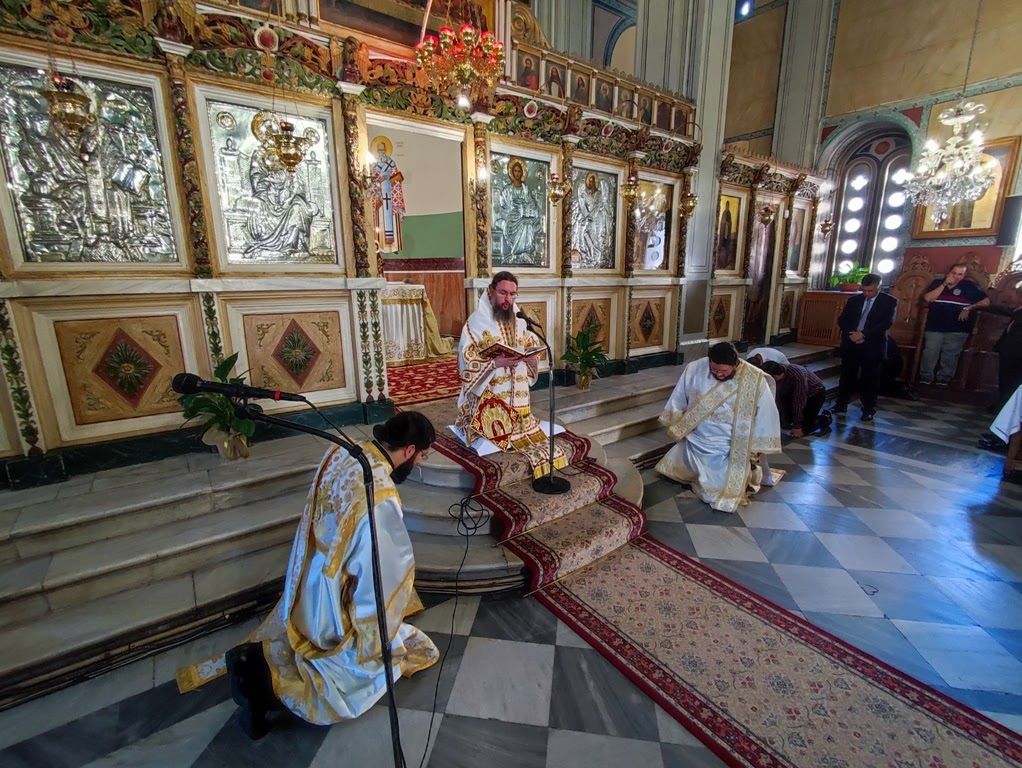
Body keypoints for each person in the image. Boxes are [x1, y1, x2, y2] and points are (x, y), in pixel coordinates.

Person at [177, 413, 440, 739]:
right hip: (333, 598)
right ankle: (263, 686)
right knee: (363, 666)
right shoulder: (380, 493)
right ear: (410, 450)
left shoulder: (343, 450)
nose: (419, 463)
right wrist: (376, 631)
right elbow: (381, 573)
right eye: (422, 456)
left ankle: (255, 669)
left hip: (307, 575)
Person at [456, 271, 565, 476]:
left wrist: (532, 358)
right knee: (493, 437)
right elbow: (466, 360)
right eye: (503, 293)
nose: (508, 299)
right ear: (491, 291)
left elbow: (531, 343)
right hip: (490, 394)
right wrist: (493, 364)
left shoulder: (520, 318)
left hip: (518, 389)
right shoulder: (475, 323)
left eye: (512, 294)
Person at [655, 342, 781, 513]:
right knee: (671, 471)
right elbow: (679, 396)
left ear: (735, 364)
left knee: (721, 491)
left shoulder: (754, 379)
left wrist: (756, 446)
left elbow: (766, 413)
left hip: (730, 443)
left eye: (724, 371)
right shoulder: (695, 368)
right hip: (697, 436)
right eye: (714, 370)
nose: (718, 374)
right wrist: (677, 420)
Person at [834, 273, 897, 422]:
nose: (867, 294)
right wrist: (851, 334)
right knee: (846, 376)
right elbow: (843, 320)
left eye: (870, 291)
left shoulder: (889, 302)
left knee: (870, 379)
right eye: (864, 290)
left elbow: (885, 323)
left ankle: (868, 409)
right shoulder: (854, 300)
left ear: (878, 287)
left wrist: (863, 334)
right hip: (851, 343)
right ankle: (841, 404)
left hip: (872, 345)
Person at [918, 263, 989, 386]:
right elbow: (928, 298)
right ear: (949, 273)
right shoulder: (937, 283)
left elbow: (986, 301)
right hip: (935, 326)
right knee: (930, 352)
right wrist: (944, 285)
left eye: (960, 274)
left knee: (950, 354)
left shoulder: (969, 286)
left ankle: (943, 380)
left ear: (964, 276)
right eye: (954, 273)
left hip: (958, 328)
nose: (956, 276)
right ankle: (925, 378)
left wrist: (969, 308)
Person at [761, 360, 828, 438]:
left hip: (815, 394)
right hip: (791, 393)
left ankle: (824, 418)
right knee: (785, 423)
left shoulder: (797, 376)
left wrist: (797, 426)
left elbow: (799, 402)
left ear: (775, 376)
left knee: (805, 427)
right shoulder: (777, 375)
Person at [494, 158, 542, 263]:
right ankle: (516, 252)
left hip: (525, 215)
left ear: (522, 173)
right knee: (523, 223)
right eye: (515, 171)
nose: (517, 173)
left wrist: (525, 205)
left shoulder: (525, 189)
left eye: (519, 171)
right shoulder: (507, 189)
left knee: (528, 223)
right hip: (512, 216)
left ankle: (524, 252)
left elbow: (532, 203)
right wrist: (514, 207)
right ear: (512, 172)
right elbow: (504, 206)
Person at [370, 138, 406, 253]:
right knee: (381, 216)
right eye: (379, 150)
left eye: (382, 150)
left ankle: (393, 244)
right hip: (380, 194)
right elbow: (371, 180)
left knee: (391, 214)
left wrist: (390, 181)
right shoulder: (374, 165)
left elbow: (397, 178)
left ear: (386, 150)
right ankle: (380, 245)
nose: (381, 152)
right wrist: (377, 187)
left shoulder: (391, 162)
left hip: (390, 192)